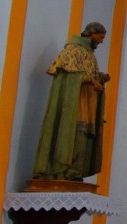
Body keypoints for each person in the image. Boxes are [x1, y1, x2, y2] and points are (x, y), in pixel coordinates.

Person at [32, 22, 110, 181]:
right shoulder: (72, 50)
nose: (101, 41)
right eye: (100, 37)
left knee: (85, 137)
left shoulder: (91, 56)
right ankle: (62, 171)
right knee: (73, 135)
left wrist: (99, 78)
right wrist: (88, 79)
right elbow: (68, 76)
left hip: (87, 104)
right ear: (91, 33)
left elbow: (89, 75)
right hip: (73, 105)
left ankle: (75, 173)